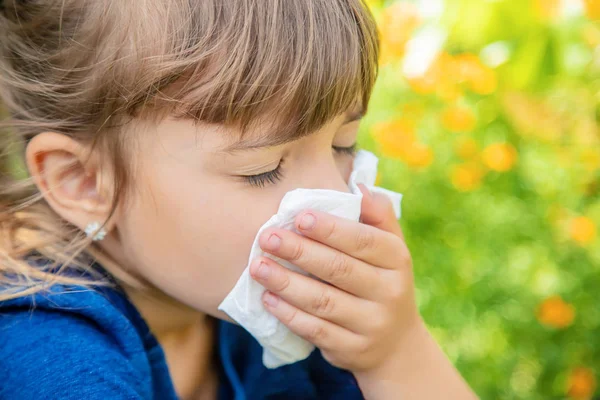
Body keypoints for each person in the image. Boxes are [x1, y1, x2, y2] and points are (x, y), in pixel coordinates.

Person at [0, 1, 478, 399]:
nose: (335, 194)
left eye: (344, 144)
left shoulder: (273, 317)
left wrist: (395, 354)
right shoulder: (52, 363)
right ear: (82, 182)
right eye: (261, 170)